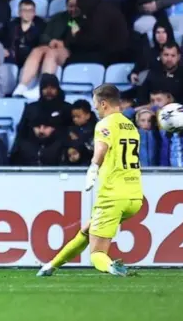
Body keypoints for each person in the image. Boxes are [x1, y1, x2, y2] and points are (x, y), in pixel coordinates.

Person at [38, 84, 142, 276]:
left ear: (103, 103)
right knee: (87, 229)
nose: (94, 108)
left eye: (95, 104)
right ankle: (51, 265)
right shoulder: (131, 126)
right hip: (135, 196)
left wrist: (93, 169)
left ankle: (112, 266)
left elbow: (101, 150)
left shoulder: (104, 124)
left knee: (97, 254)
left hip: (112, 195)